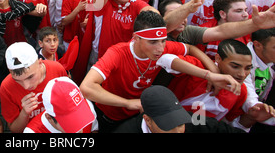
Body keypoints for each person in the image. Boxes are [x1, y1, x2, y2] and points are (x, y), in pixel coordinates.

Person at [79, 10, 240, 132]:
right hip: (109, 115)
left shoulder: (162, 49)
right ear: (136, 38)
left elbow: (190, 48)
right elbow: (86, 87)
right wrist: (128, 103)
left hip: (141, 115)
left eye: (163, 41)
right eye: (153, 42)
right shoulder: (117, 53)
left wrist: (213, 73)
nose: (160, 48)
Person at [162, 39, 275, 129]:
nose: (242, 74)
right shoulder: (199, 69)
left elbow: (232, 125)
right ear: (218, 58)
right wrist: (209, 75)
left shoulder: (241, 91)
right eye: (235, 66)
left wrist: (251, 118)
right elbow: (165, 59)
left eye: (248, 68)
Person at [113, 85, 245, 133]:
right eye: (168, 126)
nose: (178, 131)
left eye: (180, 124)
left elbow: (218, 129)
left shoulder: (192, 120)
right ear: (148, 120)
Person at [0, 42, 67, 133]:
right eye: (17, 80)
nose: (26, 86)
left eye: (30, 77)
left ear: (39, 63)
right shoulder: (6, 87)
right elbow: (15, 130)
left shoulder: (57, 70)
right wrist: (24, 113)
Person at [23, 76, 98, 133]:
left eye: (80, 117)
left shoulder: (88, 107)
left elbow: (94, 130)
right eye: (69, 123)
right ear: (49, 118)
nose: (80, 129)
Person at [242, 28, 275, 132]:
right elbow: (250, 99)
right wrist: (256, 106)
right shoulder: (241, 61)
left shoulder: (269, 61)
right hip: (230, 121)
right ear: (257, 45)